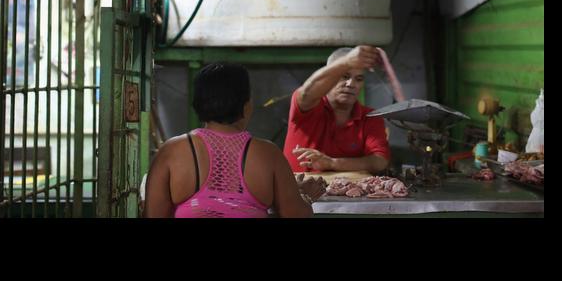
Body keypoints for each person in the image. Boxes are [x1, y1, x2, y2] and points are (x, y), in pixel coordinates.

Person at [145, 63, 327, 218]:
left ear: (197, 103)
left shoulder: (171, 152)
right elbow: (294, 214)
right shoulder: (268, 155)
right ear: (247, 105)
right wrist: (305, 197)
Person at [284, 45, 391, 174]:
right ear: (330, 78)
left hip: (347, 192)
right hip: (297, 192)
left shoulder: (370, 117)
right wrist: (346, 62)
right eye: (344, 76)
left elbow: (379, 161)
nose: (351, 84)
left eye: (359, 79)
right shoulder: (308, 106)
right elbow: (307, 92)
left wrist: (332, 163)